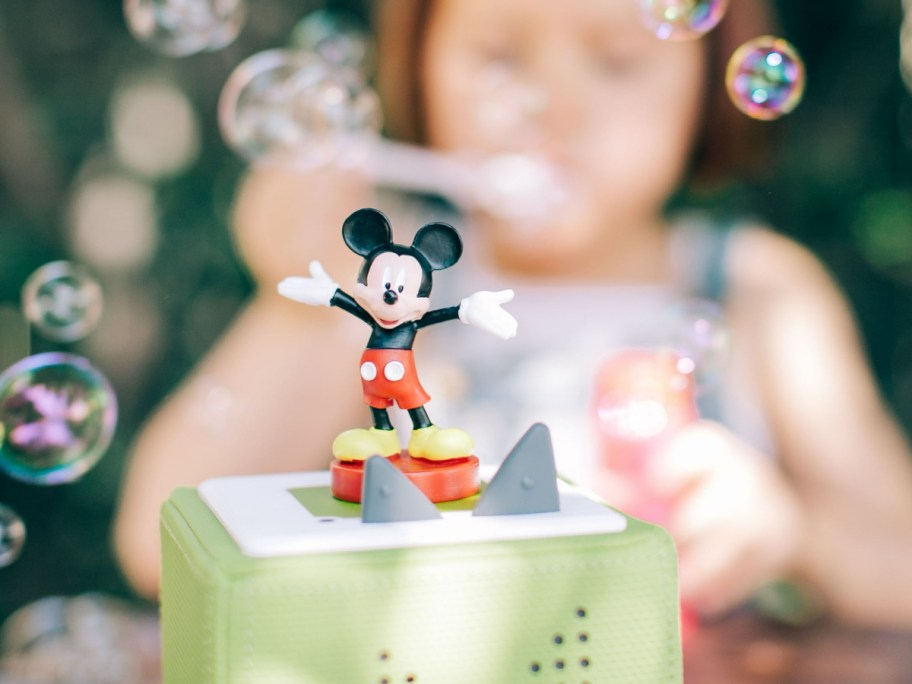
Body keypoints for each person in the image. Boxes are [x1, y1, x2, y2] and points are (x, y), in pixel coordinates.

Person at [113, 0, 912, 629]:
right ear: (417, 67)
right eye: (497, 56)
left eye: (616, 60)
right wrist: (291, 300)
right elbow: (159, 543)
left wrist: (797, 536)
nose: (552, 106)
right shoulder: (390, 290)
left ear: (707, 80)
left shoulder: (758, 291)